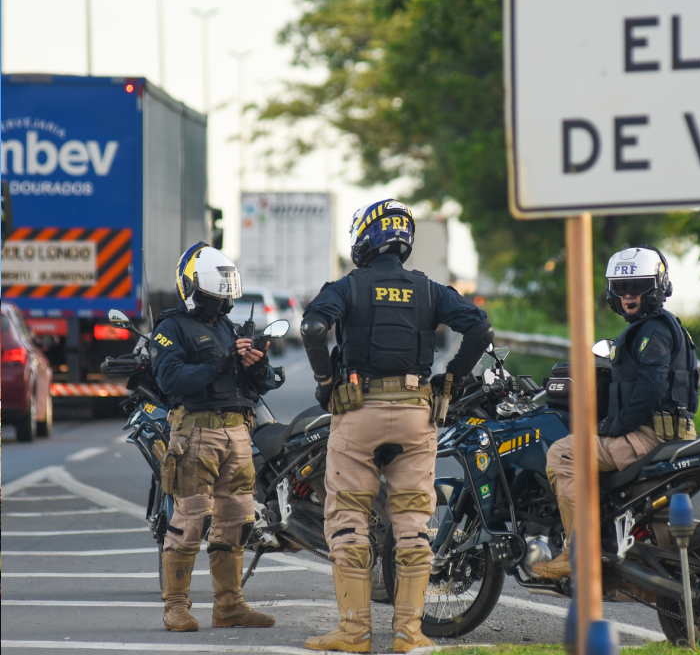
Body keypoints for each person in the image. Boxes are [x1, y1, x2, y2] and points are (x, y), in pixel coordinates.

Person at [301, 199, 493, 653]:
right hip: (415, 413)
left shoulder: (348, 286)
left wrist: (327, 381)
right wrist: (451, 377)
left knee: (348, 520)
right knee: (412, 525)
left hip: (358, 412)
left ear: (365, 238)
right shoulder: (428, 289)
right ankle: (409, 633)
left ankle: (353, 632)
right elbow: (480, 329)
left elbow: (311, 328)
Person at [532, 246, 699, 580]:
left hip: (648, 435)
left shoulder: (653, 331)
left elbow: (651, 385)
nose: (628, 296)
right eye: (622, 288)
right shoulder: (664, 328)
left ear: (658, 285)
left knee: (563, 453)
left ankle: (577, 553)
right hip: (672, 434)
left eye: (637, 286)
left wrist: (617, 424)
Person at [152, 242, 278, 632]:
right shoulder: (170, 328)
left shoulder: (226, 327)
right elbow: (171, 379)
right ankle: (176, 606)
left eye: (225, 298)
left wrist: (257, 365)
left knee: (236, 521)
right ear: (191, 289)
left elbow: (264, 384)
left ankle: (230, 606)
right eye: (213, 297)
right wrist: (222, 361)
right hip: (196, 433)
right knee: (189, 520)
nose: (222, 305)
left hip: (238, 434)